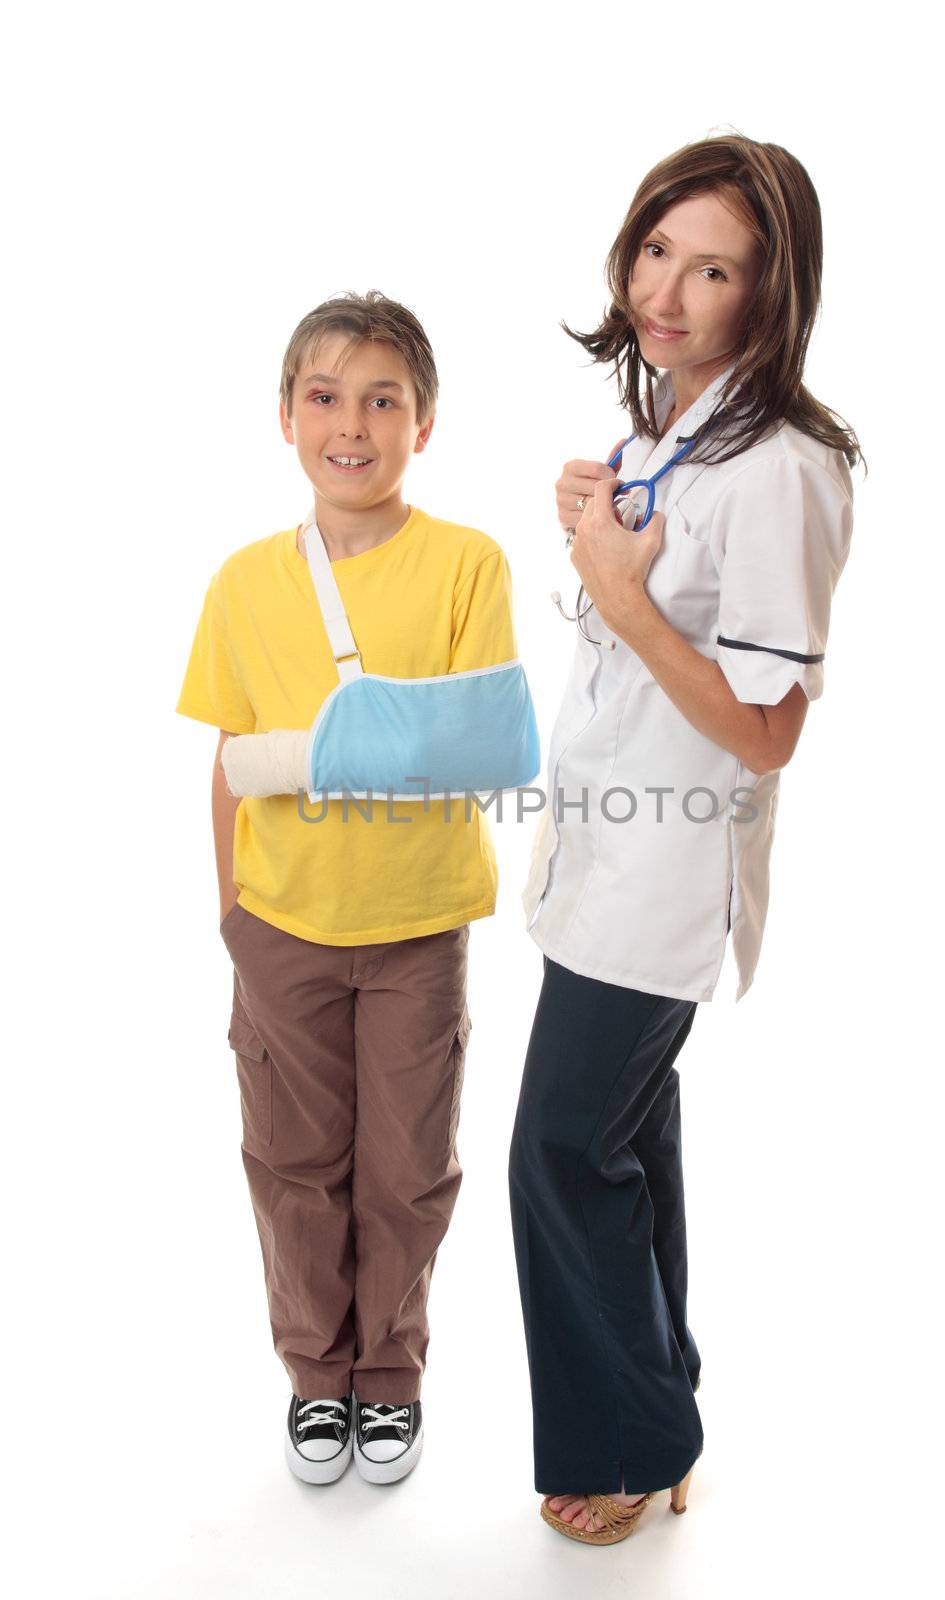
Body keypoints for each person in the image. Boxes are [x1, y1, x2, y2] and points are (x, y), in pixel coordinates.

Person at [508, 134, 864, 1546]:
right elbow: (646, 613)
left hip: (662, 876)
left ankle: (629, 1439)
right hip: (602, 849)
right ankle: (656, 1419)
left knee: (556, 1150)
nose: (667, 288)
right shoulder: (667, 417)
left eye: (712, 267)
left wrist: (621, 590)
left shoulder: (781, 465)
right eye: (658, 247)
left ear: (767, 293)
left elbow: (769, 728)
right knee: (622, 1140)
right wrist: (606, 532)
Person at [176, 291, 526, 1489]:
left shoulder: (467, 564)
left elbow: (484, 743)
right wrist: (230, 910)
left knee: (408, 1165)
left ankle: (393, 1374)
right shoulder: (242, 583)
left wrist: (338, 748)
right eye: (325, 396)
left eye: (385, 399)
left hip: (420, 924)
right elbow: (227, 760)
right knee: (293, 1162)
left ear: (425, 423)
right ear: (285, 417)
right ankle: (314, 1375)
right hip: (281, 923)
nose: (353, 423)